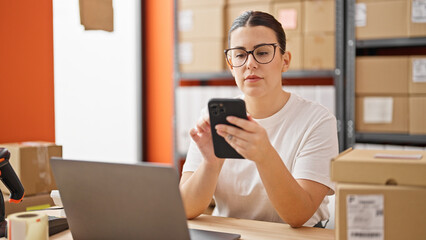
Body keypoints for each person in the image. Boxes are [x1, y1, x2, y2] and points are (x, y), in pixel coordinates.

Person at [179, 11, 338, 228]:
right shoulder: (214, 119)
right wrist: (211, 163)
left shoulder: (317, 121)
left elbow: (299, 214)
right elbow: (186, 208)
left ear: (285, 61)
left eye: (262, 53)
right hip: (233, 234)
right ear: (230, 65)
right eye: (240, 55)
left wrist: (264, 155)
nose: (250, 64)